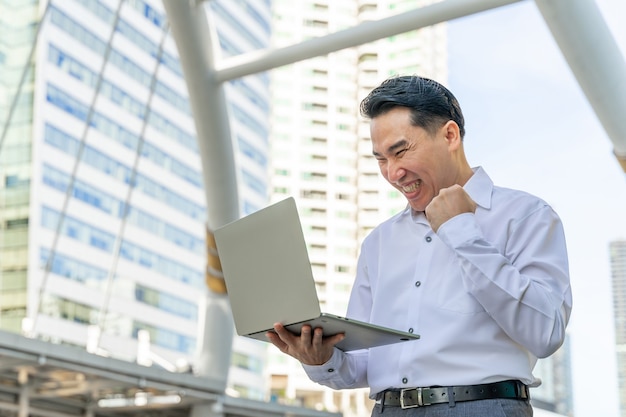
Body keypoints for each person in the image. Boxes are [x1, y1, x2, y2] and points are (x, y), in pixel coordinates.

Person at [267, 75, 572, 416]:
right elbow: (363, 364)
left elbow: (545, 333)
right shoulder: (378, 243)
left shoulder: (525, 215)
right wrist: (321, 359)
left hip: (482, 407)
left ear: (450, 135)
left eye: (401, 151)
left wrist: (460, 231)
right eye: (381, 159)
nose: (393, 173)